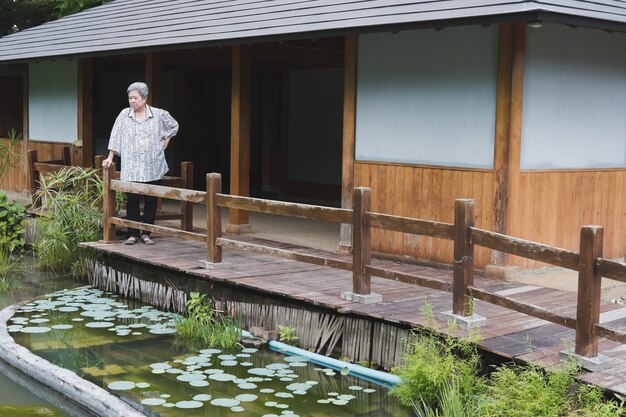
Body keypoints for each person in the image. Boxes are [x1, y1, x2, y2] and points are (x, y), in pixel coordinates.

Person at [102, 82, 179, 245]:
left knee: (151, 200)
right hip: (132, 165)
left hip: (152, 164)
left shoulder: (158, 114)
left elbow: (174, 125)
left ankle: (147, 233)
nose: (132, 101)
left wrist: (167, 138)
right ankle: (133, 233)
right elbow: (115, 135)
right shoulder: (124, 114)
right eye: (130, 98)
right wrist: (110, 157)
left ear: (144, 98)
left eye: (135, 98)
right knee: (133, 199)